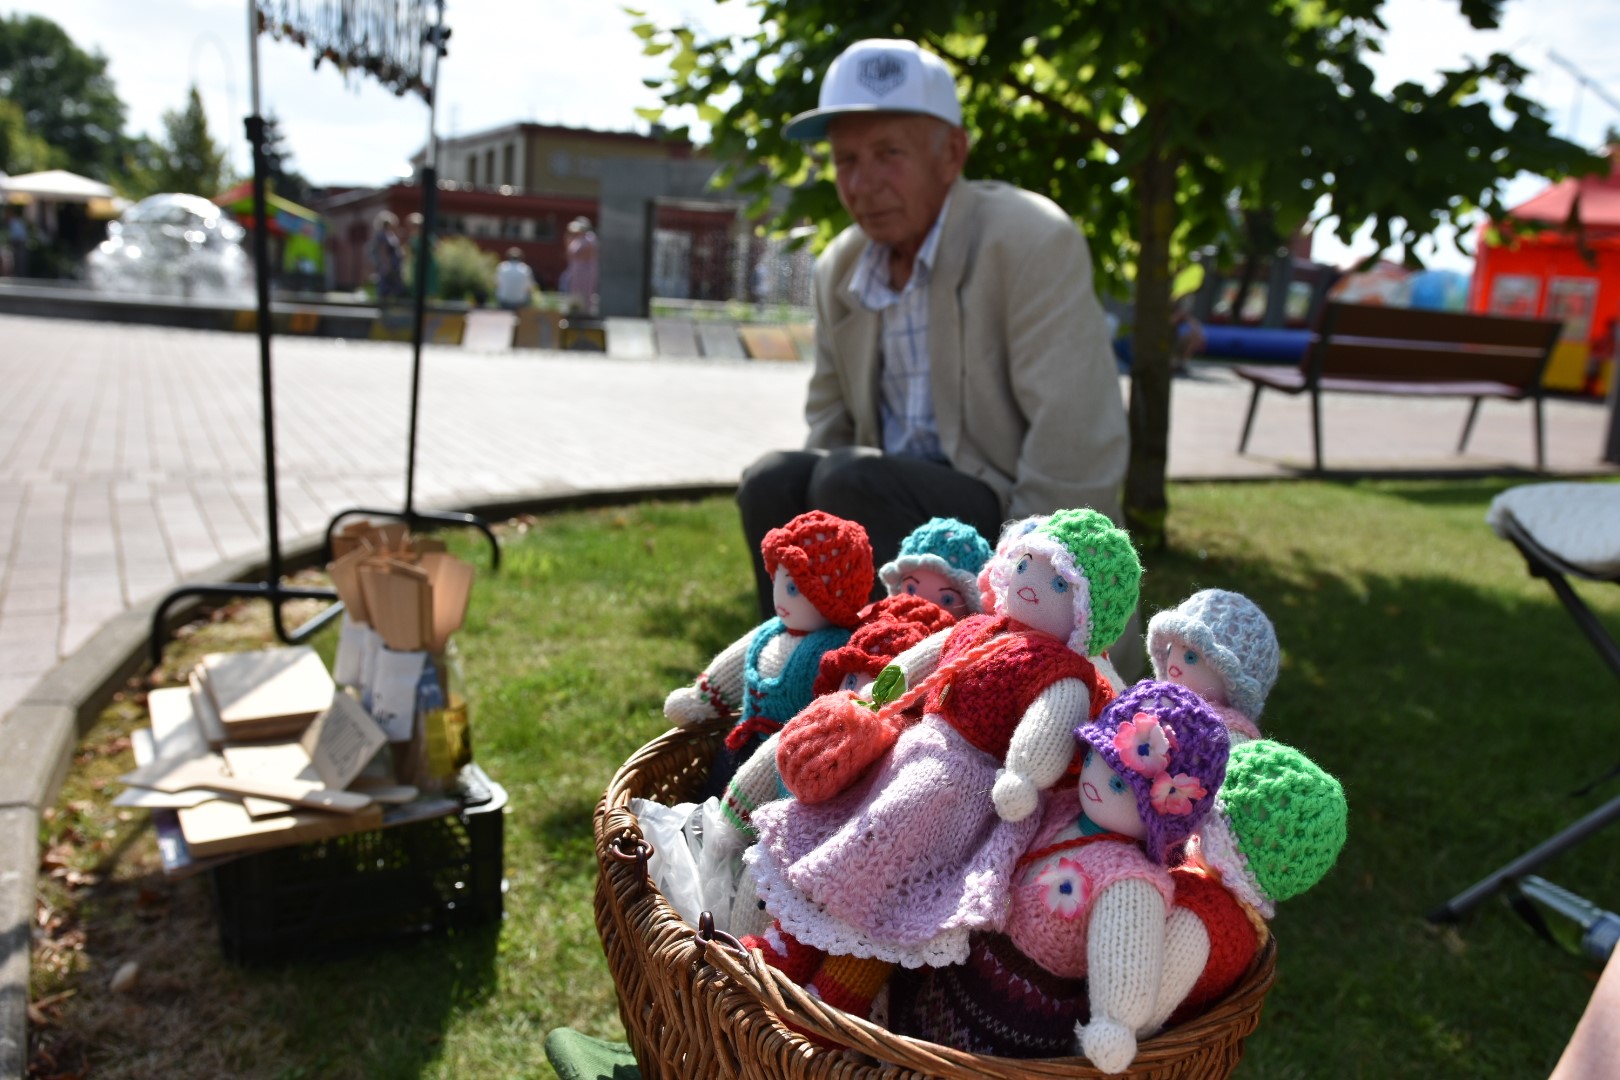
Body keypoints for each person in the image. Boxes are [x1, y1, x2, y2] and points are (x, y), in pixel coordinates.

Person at [734, 38, 1132, 665]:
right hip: (881, 501)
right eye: (845, 160)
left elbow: (1075, 444)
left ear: (951, 154)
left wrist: (1029, 598)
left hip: (1004, 527)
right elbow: (828, 423)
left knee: (850, 478)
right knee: (773, 481)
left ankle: (911, 684)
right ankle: (790, 673)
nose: (863, 183)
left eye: (888, 154)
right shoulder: (841, 267)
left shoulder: (1030, 240)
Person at [369, 210, 406, 305]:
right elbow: (383, 251)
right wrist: (386, 264)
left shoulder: (389, 234)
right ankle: (384, 306)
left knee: (393, 287)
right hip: (389, 265)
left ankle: (390, 305)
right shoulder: (382, 235)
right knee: (386, 287)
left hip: (393, 265)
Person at [563, 216, 598, 314]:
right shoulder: (577, 239)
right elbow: (569, 253)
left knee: (585, 292)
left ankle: (585, 311)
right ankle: (575, 310)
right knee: (574, 291)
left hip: (586, 270)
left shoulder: (590, 238)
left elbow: (588, 254)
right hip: (576, 270)